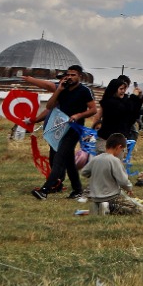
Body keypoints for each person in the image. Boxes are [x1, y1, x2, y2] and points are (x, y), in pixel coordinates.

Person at [28, 64, 100, 201]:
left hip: (74, 129)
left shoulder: (84, 91)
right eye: (68, 75)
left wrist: (78, 115)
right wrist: (59, 90)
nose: (70, 77)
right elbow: (49, 106)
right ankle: (77, 190)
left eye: (73, 75)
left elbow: (93, 110)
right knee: (69, 161)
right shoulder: (63, 89)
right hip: (60, 128)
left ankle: (45, 190)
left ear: (79, 76)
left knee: (59, 158)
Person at [80, 133, 142, 215]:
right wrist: (129, 188)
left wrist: (94, 173)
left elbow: (84, 172)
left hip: (95, 197)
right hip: (111, 197)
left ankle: (98, 207)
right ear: (119, 147)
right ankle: (109, 208)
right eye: (122, 150)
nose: (122, 152)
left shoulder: (95, 159)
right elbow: (123, 181)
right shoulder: (114, 160)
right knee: (136, 210)